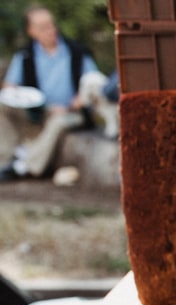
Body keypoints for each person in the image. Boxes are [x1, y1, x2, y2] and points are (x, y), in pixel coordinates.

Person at [0, 5, 102, 180]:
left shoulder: (76, 52)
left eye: (51, 25)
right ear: (31, 31)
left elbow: (95, 83)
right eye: (43, 27)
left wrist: (76, 102)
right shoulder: (25, 55)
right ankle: (6, 159)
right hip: (39, 112)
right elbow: (9, 87)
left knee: (59, 121)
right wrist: (20, 96)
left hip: (71, 112)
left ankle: (26, 166)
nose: (50, 30)